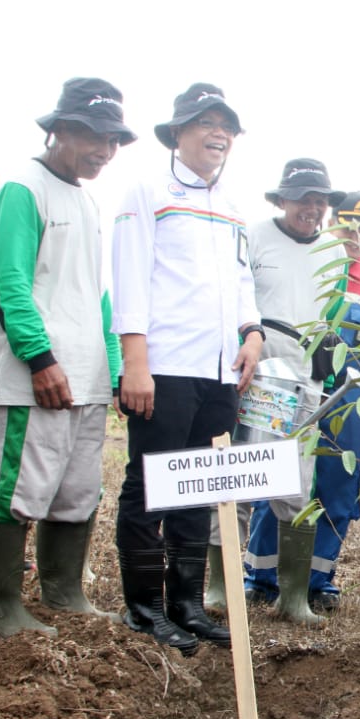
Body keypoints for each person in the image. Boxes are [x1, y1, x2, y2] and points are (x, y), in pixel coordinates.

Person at [111, 84, 262, 654]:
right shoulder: (146, 190)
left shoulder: (230, 205)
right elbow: (128, 277)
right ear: (178, 133)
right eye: (204, 122)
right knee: (150, 485)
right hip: (164, 366)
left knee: (200, 486)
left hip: (219, 369)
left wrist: (253, 333)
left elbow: (243, 281)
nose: (217, 133)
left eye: (226, 124)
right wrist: (135, 362)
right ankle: (145, 606)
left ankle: (188, 603)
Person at [0, 77, 133, 639]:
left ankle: (64, 592)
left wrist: (113, 368)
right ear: (59, 129)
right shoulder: (24, 189)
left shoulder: (89, 200)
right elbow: (10, 284)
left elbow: (98, 294)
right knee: (21, 486)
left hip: (88, 374)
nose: (104, 150)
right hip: (39, 375)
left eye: (113, 140)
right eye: (94, 136)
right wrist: (39, 358)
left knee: (77, 490)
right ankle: (1, 608)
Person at [242, 158, 343, 625]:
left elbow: (331, 308)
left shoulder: (334, 253)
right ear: (282, 199)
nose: (312, 208)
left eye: (320, 200)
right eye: (303, 198)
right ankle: (223, 588)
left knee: (297, 476)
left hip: (308, 364)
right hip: (266, 355)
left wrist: (328, 343)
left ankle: (293, 596)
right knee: (246, 470)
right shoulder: (254, 235)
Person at [307, 192, 360, 611]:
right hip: (302, 392)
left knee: (339, 487)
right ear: (332, 224)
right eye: (347, 227)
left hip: (348, 402)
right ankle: (261, 575)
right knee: (289, 484)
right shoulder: (309, 267)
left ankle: (319, 577)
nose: (355, 237)